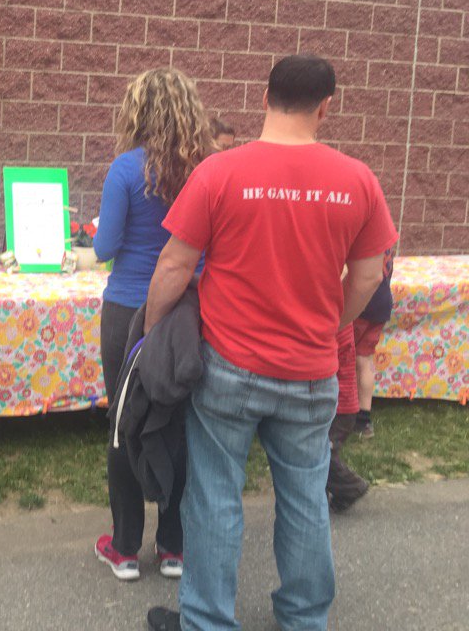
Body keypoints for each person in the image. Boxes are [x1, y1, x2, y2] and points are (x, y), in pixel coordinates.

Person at [143, 54, 397, 631]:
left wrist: (154, 330)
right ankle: (305, 619)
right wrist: (330, 324)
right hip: (310, 370)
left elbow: (174, 265)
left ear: (264, 97)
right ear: (326, 107)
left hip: (228, 368)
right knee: (306, 497)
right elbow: (368, 275)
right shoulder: (357, 179)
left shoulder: (220, 172)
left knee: (214, 497)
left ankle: (207, 621)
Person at [92, 68, 215, 582]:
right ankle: (173, 545)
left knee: (125, 422)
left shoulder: (125, 170)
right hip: (191, 309)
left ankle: (123, 547)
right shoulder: (208, 169)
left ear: (136, 112)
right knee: (179, 422)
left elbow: (104, 248)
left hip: (129, 310)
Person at [326, 324, 370, 512]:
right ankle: (330, 495)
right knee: (322, 451)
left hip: (340, 408)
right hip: (341, 406)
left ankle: (352, 487)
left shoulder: (338, 326)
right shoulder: (343, 322)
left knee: (321, 454)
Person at [353, 251, 394, 438]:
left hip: (361, 303)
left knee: (341, 357)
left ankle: (338, 413)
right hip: (382, 302)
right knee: (364, 360)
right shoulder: (385, 240)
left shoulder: (362, 234)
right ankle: (364, 420)